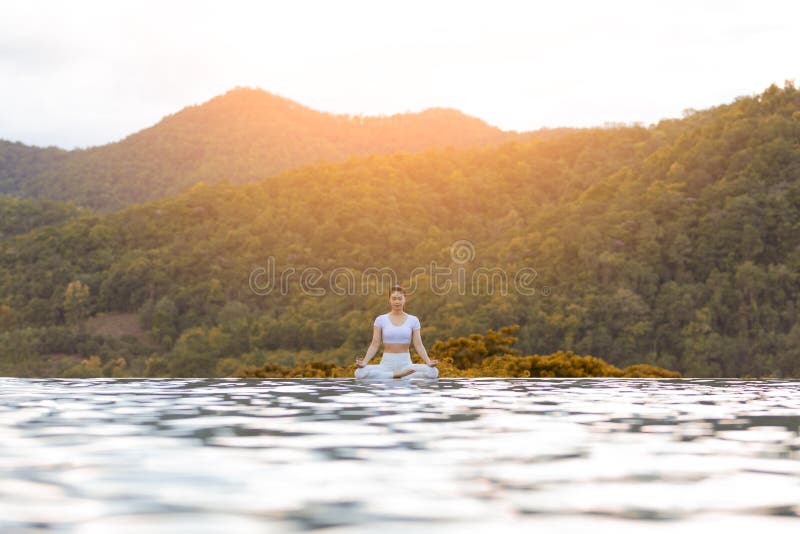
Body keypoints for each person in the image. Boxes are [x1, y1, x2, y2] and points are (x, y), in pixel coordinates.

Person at [354, 285, 439, 379]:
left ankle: (394, 376)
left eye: (399, 298)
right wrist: (364, 362)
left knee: (433, 372)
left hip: (406, 364)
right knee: (359, 373)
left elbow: (418, 344)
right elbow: (374, 344)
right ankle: (396, 375)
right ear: (389, 300)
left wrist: (428, 361)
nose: (397, 301)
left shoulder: (413, 320)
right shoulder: (381, 319)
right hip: (386, 364)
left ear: (405, 299)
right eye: (394, 298)